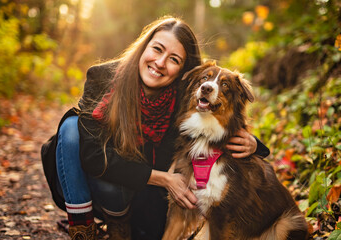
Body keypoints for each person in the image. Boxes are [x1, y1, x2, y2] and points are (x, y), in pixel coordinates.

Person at [41, 16, 270, 240]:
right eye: (157, 49)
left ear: (183, 70)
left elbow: (219, 128)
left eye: (174, 59)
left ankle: (121, 223)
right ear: (144, 47)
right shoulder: (101, 77)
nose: (160, 63)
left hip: (142, 192)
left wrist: (254, 145)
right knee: (71, 127)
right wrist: (163, 179)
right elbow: (92, 157)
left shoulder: (187, 97)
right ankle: (83, 228)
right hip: (106, 177)